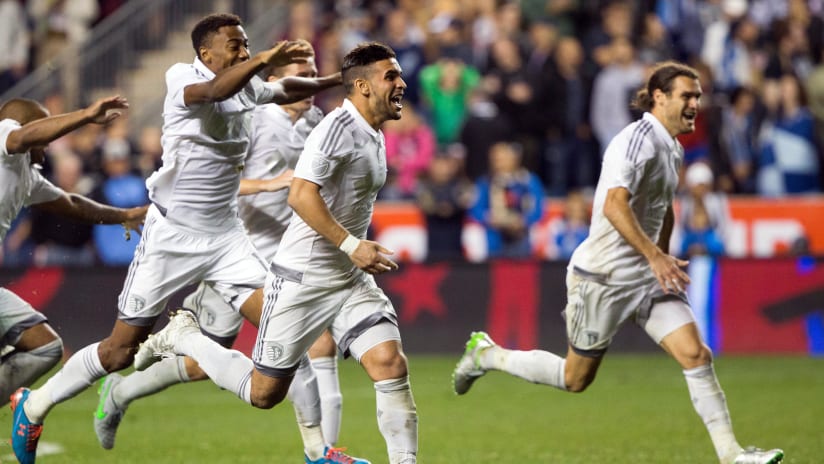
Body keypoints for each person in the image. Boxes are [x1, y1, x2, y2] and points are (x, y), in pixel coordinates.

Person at [9, 13, 350, 464]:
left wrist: (342, 78)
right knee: (117, 353)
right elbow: (213, 92)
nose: (244, 52)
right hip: (171, 238)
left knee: (288, 334)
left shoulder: (246, 85)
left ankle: (316, 452)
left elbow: (284, 89)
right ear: (206, 53)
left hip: (227, 238)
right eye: (235, 45)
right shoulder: (182, 77)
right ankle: (33, 408)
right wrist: (267, 57)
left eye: (247, 45)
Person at [452, 62, 784, 464]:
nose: (696, 104)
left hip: (646, 278)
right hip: (602, 278)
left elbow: (664, 209)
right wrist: (654, 255)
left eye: (698, 96)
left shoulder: (672, 147)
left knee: (697, 355)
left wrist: (662, 260)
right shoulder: (636, 141)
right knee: (575, 379)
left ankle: (732, 455)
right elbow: (614, 205)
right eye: (687, 96)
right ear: (659, 97)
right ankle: (486, 355)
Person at [134, 42, 418, 464]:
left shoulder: (371, 130)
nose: (401, 83)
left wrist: (352, 253)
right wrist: (352, 244)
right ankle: (185, 336)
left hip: (349, 279)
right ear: (361, 85)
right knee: (264, 392)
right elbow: (301, 196)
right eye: (390, 76)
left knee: (390, 364)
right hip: (301, 280)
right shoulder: (337, 129)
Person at [92, 41, 350, 455]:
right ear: (274, 79)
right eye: (298, 68)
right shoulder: (256, 116)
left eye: (312, 68)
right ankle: (322, 452)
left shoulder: (314, 121)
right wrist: (268, 184)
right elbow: (220, 180)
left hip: (282, 257)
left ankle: (323, 451)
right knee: (307, 343)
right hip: (236, 249)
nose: (308, 77)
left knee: (211, 364)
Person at [0, 95, 145, 407]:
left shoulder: (26, 175)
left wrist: (124, 215)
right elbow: (22, 136)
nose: (50, 141)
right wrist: (85, 115)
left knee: (46, 348)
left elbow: (71, 203)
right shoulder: (4, 136)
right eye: (44, 128)